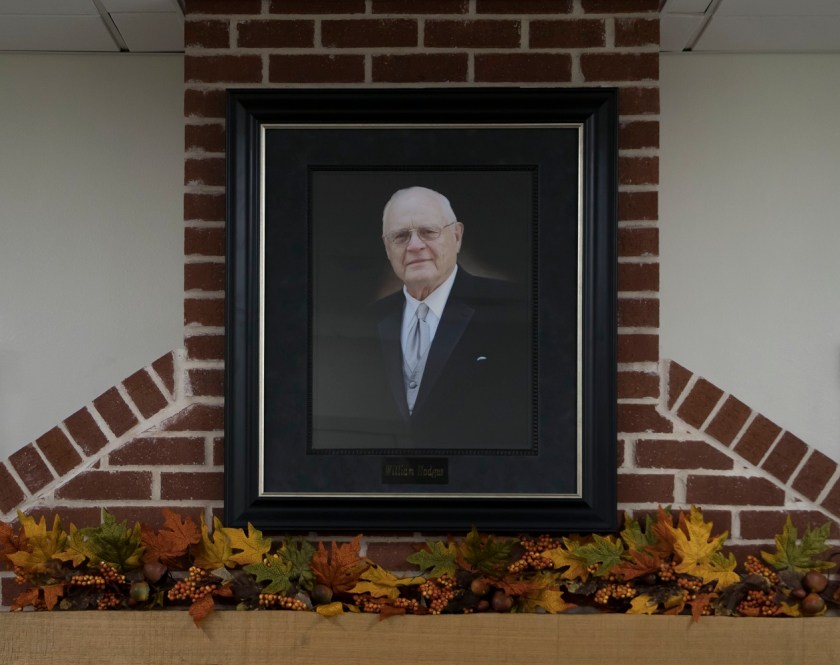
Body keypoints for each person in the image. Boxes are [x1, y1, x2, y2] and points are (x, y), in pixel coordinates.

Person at [313, 186, 532, 451]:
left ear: (457, 236)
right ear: (387, 247)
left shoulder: (515, 308)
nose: (415, 245)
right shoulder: (369, 321)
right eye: (400, 236)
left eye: (428, 231)